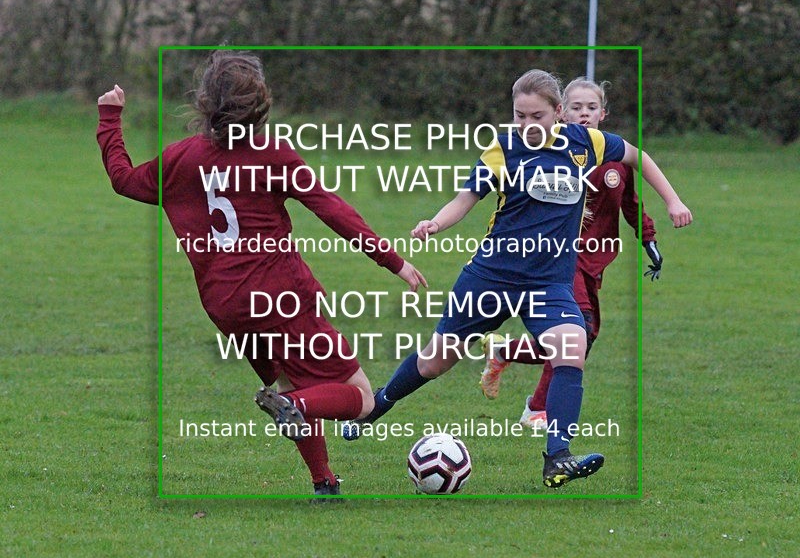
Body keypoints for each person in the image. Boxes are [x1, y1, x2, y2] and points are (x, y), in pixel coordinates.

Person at [96, 51, 426, 498]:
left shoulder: (181, 159)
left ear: (205, 103)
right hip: (280, 295)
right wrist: (393, 260)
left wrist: (110, 117)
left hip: (226, 306)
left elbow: (123, 179)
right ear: (260, 105)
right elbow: (332, 210)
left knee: (292, 381)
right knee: (361, 398)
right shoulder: (273, 155)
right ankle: (292, 407)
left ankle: (324, 481)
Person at [343, 69, 692, 489]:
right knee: (436, 361)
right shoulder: (503, 149)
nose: (525, 126)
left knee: (572, 345)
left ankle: (557, 458)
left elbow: (639, 157)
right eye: (518, 116)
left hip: (548, 284)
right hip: (491, 277)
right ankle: (376, 406)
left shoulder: (587, 143)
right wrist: (435, 224)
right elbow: (466, 198)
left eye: (536, 117)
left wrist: (672, 200)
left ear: (558, 113)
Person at [478, 77, 663, 431]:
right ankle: (537, 409)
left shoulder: (615, 158)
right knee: (581, 330)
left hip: (595, 261)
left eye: (591, 108)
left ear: (603, 113)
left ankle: (505, 351)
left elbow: (631, 205)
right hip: (560, 258)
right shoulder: (554, 153)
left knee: (581, 336)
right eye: (576, 108)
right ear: (562, 112)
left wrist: (649, 239)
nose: (584, 114)